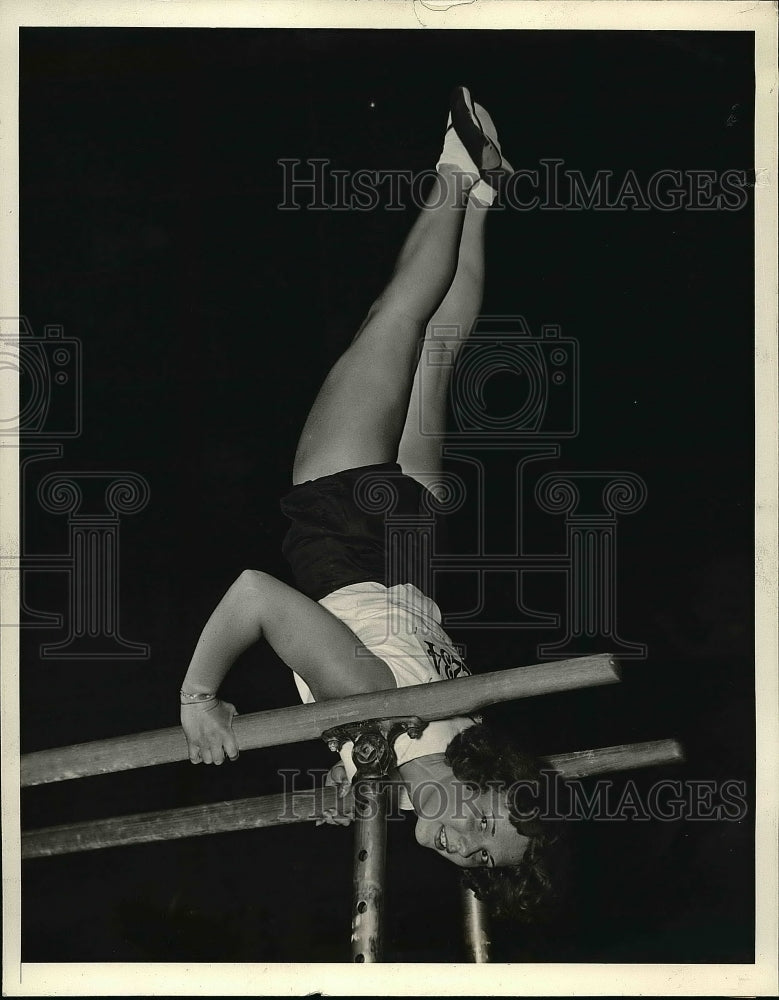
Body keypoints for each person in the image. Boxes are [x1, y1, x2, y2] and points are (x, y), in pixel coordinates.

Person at [179, 87, 565, 920]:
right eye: (487, 829)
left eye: (474, 862)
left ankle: (482, 198)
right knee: (393, 319)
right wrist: (199, 696)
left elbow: (393, 748)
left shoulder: (448, 729)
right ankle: (456, 173)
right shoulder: (385, 722)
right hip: (349, 521)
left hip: (411, 538)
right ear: (497, 790)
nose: (462, 844)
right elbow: (253, 594)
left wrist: (342, 768)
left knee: (431, 344)